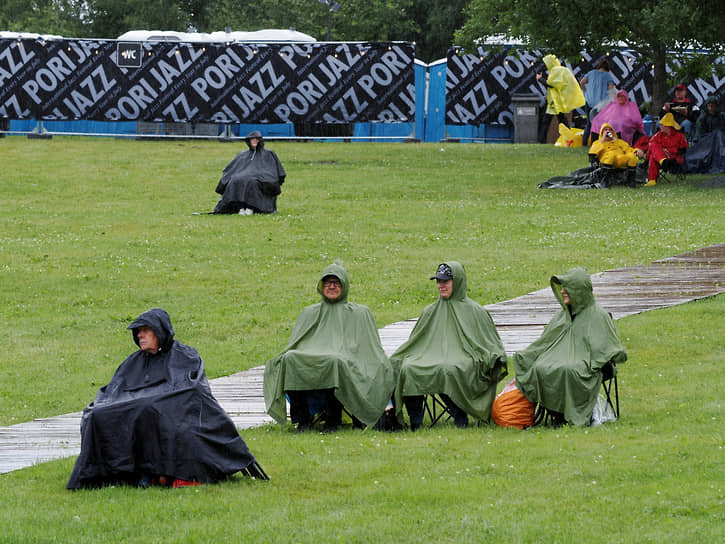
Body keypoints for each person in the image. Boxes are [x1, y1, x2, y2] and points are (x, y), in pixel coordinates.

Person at [67, 308, 267, 489]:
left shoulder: (184, 356)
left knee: (148, 409)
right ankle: (106, 473)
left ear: (159, 331)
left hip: (177, 412)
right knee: (97, 414)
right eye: (138, 331)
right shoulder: (134, 361)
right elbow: (115, 389)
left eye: (146, 330)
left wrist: (152, 401)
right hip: (135, 406)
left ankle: (152, 472)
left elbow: (191, 390)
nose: (140, 335)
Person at [264, 261, 395, 432]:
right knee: (289, 359)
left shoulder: (359, 313)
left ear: (344, 285)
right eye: (328, 282)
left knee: (335, 362)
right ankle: (303, 420)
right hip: (311, 357)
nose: (332, 286)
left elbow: (369, 348)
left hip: (344, 361)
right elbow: (297, 343)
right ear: (321, 285)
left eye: (336, 282)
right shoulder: (309, 312)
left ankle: (333, 420)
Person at [503, 267, 627, 427]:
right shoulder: (561, 316)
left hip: (587, 362)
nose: (562, 291)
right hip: (558, 357)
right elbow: (545, 341)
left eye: (567, 288)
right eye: (561, 287)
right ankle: (556, 413)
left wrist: (595, 360)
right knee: (541, 367)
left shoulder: (598, 315)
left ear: (578, 290)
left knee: (569, 370)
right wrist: (528, 355)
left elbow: (607, 346)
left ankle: (571, 415)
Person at [391, 262, 508, 430]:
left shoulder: (476, 311)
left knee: (448, 369)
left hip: (464, 359)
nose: (441, 285)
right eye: (438, 281)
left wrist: (492, 357)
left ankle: (459, 417)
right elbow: (416, 343)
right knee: (409, 368)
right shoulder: (430, 311)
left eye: (445, 281)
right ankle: (415, 422)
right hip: (430, 356)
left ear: (457, 281)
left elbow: (490, 343)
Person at [212, 130, 286, 215]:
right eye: (252, 139)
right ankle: (240, 207)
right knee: (235, 180)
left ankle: (250, 207)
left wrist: (257, 175)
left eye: (257, 139)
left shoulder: (268, 154)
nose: (254, 141)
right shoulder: (242, 155)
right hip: (243, 176)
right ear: (249, 141)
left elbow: (271, 171)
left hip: (261, 179)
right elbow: (232, 168)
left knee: (251, 181)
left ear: (260, 141)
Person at [537, 54, 586, 144]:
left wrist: (540, 79)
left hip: (556, 102)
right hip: (556, 102)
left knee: (549, 121)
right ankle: (569, 138)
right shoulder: (559, 70)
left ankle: (542, 140)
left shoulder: (556, 70)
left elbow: (552, 84)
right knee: (560, 120)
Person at [645, 113, 689, 186]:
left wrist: (667, 150)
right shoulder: (659, 135)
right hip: (663, 158)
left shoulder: (679, 136)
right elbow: (651, 145)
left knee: (653, 155)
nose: (660, 126)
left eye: (662, 125)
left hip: (674, 159)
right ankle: (662, 161)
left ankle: (652, 179)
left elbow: (683, 149)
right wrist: (662, 151)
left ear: (668, 126)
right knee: (653, 146)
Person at [579, 58, 616, 141]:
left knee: (589, 124)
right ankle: (597, 142)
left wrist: (585, 90)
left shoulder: (591, 73)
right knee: (601, 124)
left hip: (589, 102)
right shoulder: (607, 75)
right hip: (601, 104)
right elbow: (612, 87)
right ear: (607, 68)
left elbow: (581, 82)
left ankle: (584, 143)